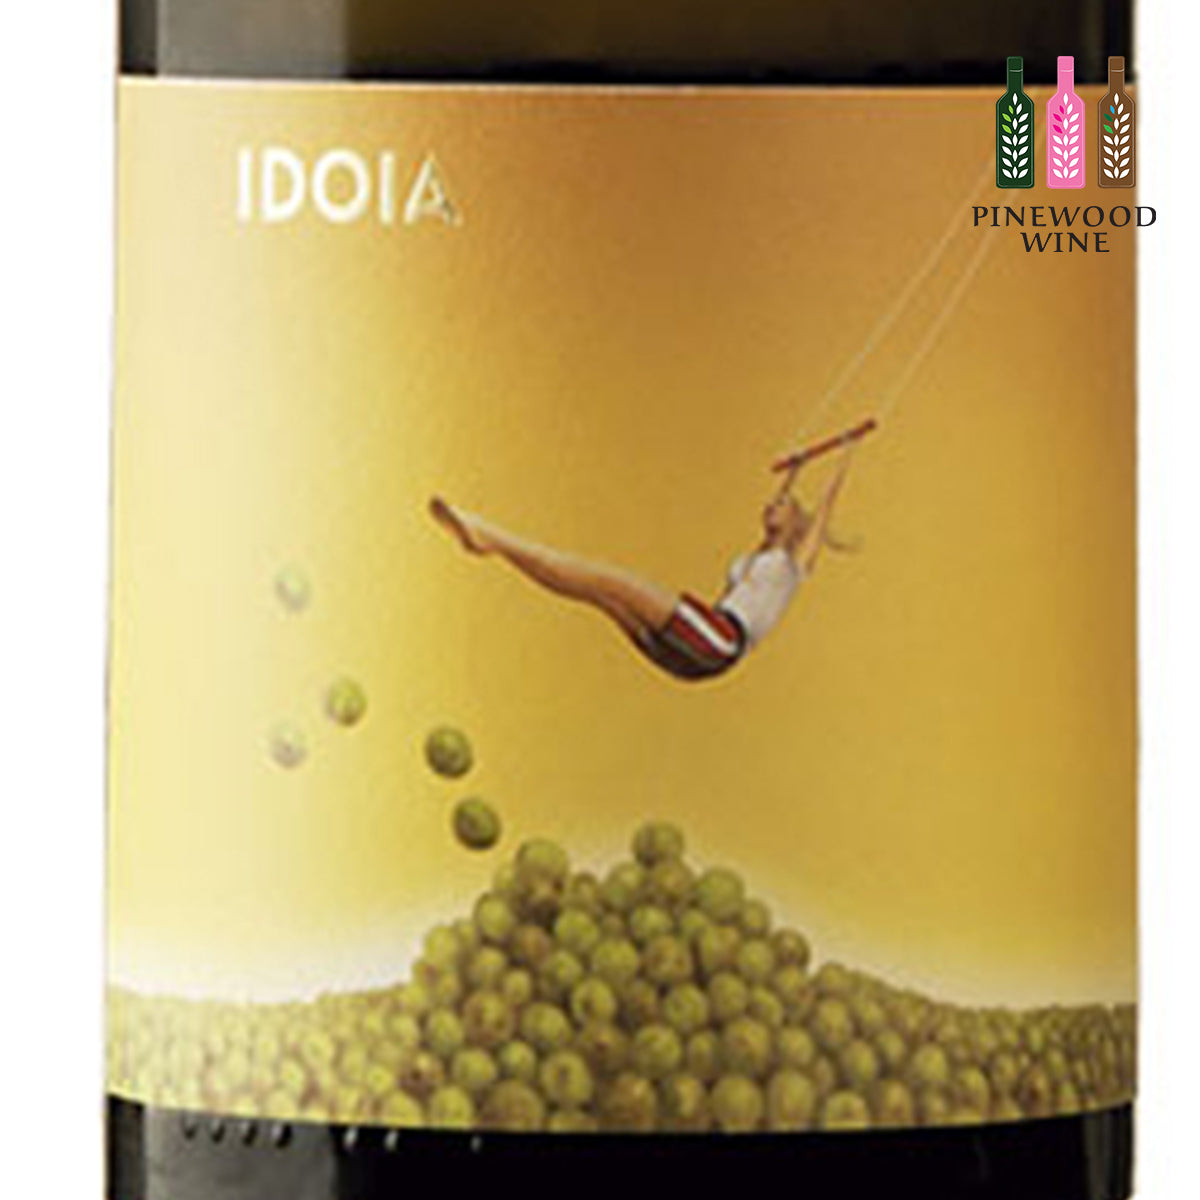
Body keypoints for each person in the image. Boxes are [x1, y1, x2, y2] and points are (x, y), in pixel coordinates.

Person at [429, 447, 858, 683]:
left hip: (721, 640)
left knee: (607, 578)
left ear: (795, 519)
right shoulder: (757, 558)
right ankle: (494, 545)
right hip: (698, 653)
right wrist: (796, 471)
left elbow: (821, 515)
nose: (771, 506)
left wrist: (846, 453)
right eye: (772, 502)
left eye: (781, 504)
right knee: (594, 591)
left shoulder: (792, 566)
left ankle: (490, 537)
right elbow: (770, 534)